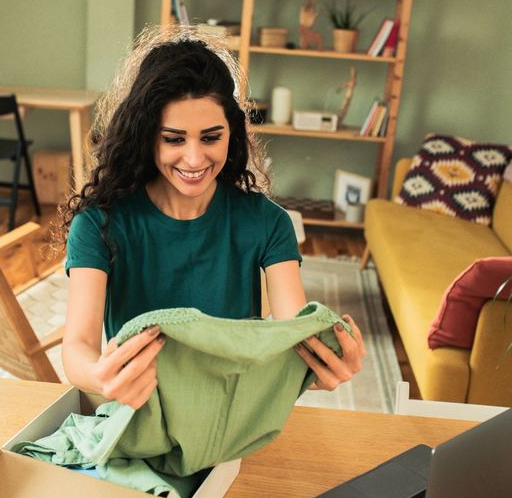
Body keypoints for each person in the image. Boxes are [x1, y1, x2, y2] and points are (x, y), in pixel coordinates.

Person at [59, 26, 365, 409]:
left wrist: (324, 368)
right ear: (145, 136)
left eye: (210, 137)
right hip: (139, 411)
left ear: (231, 135)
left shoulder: (268, 223)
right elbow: (79, 347)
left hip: (234, 413)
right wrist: (101, 376)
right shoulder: (99, 226)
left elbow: (294, 338)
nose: (194, 159)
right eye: (173, 139)